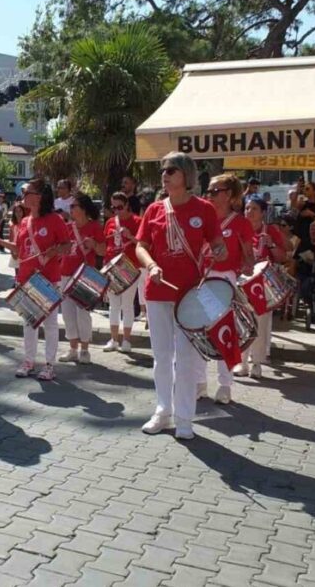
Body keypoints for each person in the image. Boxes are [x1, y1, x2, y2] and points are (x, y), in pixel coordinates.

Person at [135, 152, 226, 440]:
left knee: (186, 359)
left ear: (186, 175)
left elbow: (217, 244)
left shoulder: (205, 209)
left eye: (171, 170)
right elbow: (140, 247)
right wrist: (151, 265)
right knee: (162, 358)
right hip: (157, 292)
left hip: (191, 296)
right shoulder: (154, 210)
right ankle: (163, 411)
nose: (165, 174)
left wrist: (219, 251)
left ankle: (185, 418)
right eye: (163, 170)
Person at [1, 178, 70, 381]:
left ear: (39, 196)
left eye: (28, 192)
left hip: (48, 280)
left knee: (49, 324)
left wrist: (54, 250)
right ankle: (28, 361)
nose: (23, 196)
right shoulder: (24, 221)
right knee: (29, 323)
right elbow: (18, 253)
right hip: (26, 279)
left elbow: (67, 246)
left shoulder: (55, 220)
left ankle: (49, 365)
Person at [200, 174, 255, 400]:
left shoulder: (240, 223)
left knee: (224, 333)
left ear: (230, 195)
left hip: (225, 279)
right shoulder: (202, 218)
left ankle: (225, 385)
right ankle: (199, 383)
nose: (209, 195)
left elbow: (249, 262)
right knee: (199, 332)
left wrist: (247, 263)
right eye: (209, 191)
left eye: (215, 191)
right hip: (201, 279)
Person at [243, 197, 288, 378]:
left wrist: (271, 243)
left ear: (262, 213)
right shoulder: (240, 229)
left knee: (260, 323)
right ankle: (241, 361)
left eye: (254, 209)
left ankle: (257, 363)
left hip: (262, 284)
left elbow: (282, 257)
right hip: (242, 281)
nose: (249, 212)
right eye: (247, 208)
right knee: (243, 320)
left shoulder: (271, 231)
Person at [58, 192, 105, 365]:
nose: (70, 209)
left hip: (85, 275)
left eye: (73, 206)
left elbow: (103, 251)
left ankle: (85, 350)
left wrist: (94, 245)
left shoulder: (94, 227)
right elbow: (60, 249)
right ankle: (72, 349)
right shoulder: (67, 227)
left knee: (82, 313)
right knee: (68, 314)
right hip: (65, 273)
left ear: (83, 209)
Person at [103, 192, 142, 352]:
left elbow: (144, 243)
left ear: (127, 205)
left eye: (120, 207)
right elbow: (106, 244)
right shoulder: (111, 222)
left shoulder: (138, 221)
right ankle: (113, 339)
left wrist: (130, 236)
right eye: (114, 207)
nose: (117, 211)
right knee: (113, 305)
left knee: (127, 304)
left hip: (130, 266)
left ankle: (126, 340)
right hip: (113, 266)